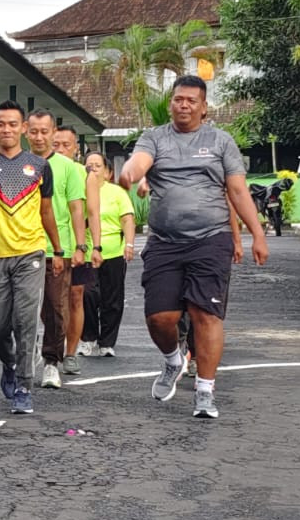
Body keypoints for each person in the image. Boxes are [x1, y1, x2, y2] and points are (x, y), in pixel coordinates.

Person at [115, 76, 268, 419]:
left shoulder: (220, 141)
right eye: (178, 99)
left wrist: (256, 234)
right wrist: (128, 173)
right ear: (171, 102)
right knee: (159, 318)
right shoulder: (155, 137)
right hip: (165, 242)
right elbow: (139, 162)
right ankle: (172, 360)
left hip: (210, 240)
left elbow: (238, 192)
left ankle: (204, 392)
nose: (183, 105)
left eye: (191, 101)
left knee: (206, 315)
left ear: (203, 107)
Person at [0, 100, 63, 415]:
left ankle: (23, 386)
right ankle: (8, 363)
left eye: (12, 124)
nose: (6, 129)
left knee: (25, 322)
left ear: (22, 128)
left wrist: (57, 250)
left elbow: (46, 211)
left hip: (30, 255)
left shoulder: (39, 166)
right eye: (0, 124)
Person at [25, 111, 98, 390]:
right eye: (34, 131)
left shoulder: (67, 168)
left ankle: (52, 362)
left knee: (56, 305)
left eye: (45, 131)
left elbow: (77, 208)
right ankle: (28, 351)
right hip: (22, 247)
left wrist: (80, 246)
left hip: (59, 249)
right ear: (26, 132)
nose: (39, 137)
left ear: (53, 132)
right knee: (26, 309)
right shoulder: (18, 163)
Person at [52, 125, 101, 375]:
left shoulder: (85, 174)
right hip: (50, 246)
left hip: (77, 246)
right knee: (52, 303)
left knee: (75, 297)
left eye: (66, 145)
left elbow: (92, 213)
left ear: (76, 149)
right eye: (56, 145)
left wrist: (95, 246)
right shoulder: (42, 168)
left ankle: (70, 353)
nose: (60, 150)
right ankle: (53, 347)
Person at [79, 153, 135, 357]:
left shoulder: (117, 192)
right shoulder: (79, 190)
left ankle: (107, 342)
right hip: (87, 252)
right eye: (89, 165)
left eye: (97, 165)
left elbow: (127, 220)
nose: (93, 169)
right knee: (87, 295)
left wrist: (129, 244)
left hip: (113, 252)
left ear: (108, 172)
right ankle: (88, 338)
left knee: (112, 299)